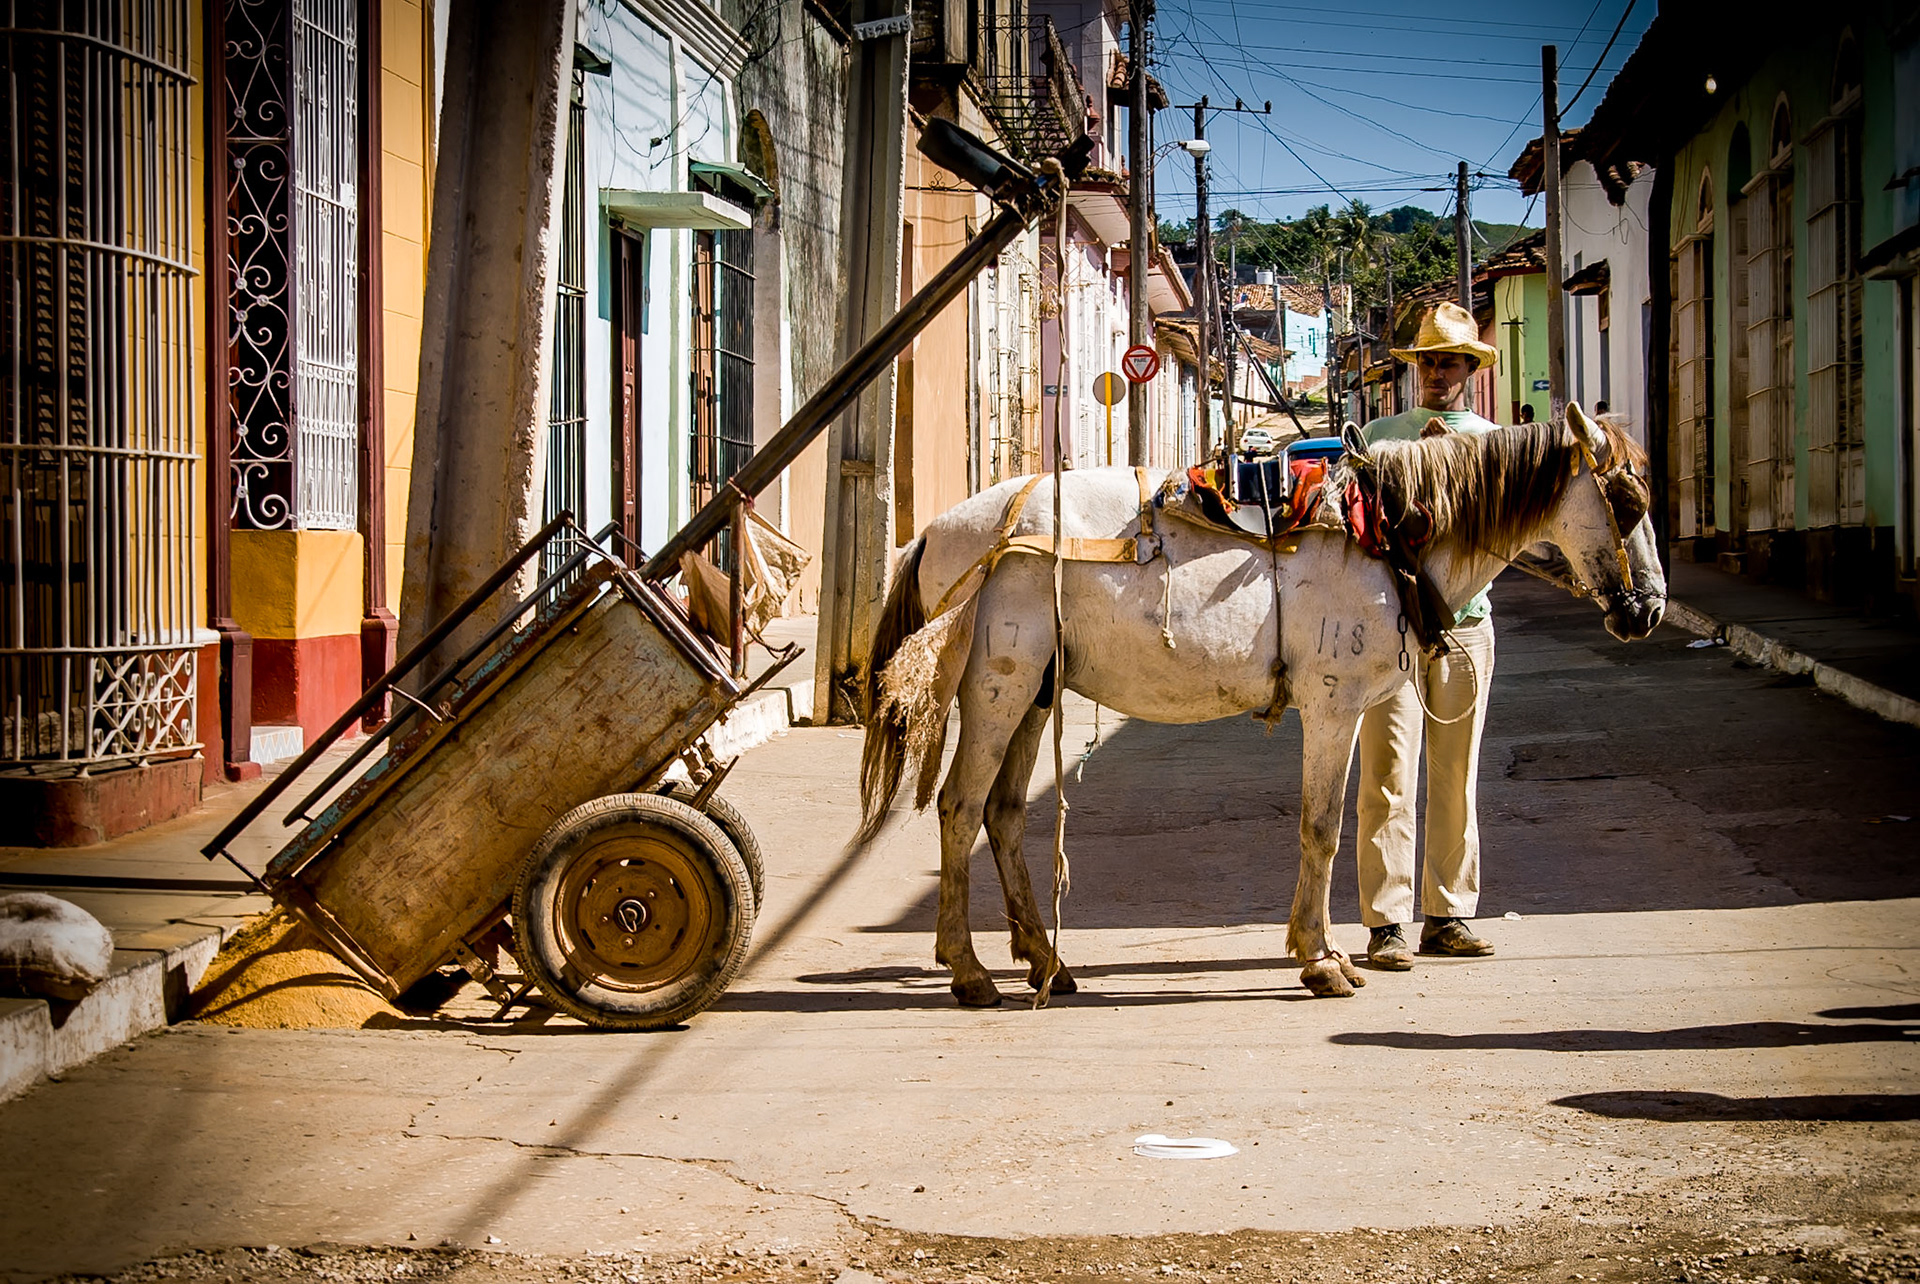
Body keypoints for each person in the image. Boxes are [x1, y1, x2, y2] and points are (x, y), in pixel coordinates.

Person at [1355, 301, 1502, 971]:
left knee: (1455, 775)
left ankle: (1448, 915)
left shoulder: (1495, 443)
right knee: (1386, 774)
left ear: (1470, 368)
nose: (1438, 372)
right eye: (1429, 361)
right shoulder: (1382, 434)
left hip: (1468, 629)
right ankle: (1386, 923)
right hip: (1392, 631)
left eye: (1450, 361)